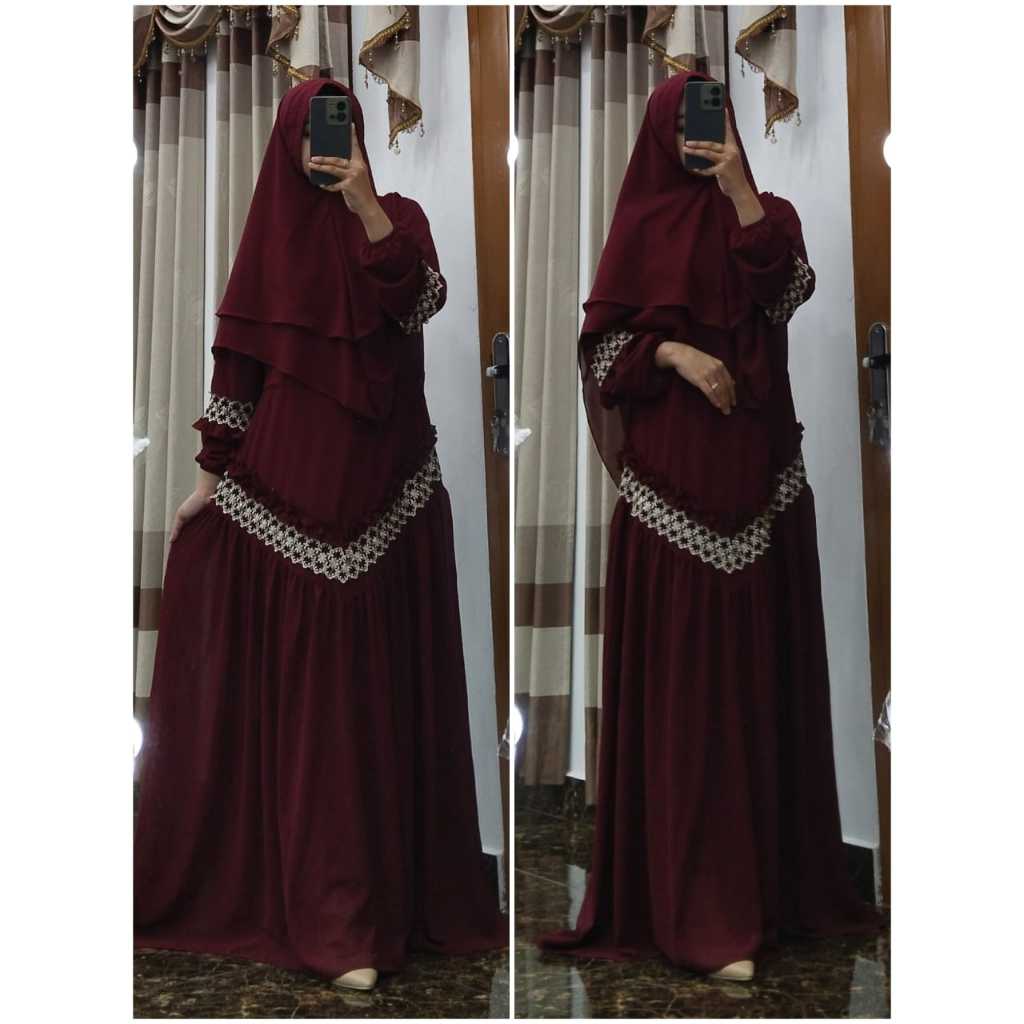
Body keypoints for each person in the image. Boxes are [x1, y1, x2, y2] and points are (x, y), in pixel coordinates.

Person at [133, 77, 507, 990]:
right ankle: (331, 915)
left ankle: (378, 906)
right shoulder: (269, 242)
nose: (323, 148)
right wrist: (206, 484)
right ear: (286, 146)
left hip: (389, 498)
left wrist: (364, 205)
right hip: (289, 503)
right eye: (308, 134)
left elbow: (418, 300)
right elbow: (238, 373)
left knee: (377, 704)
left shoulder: (400, 218)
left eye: (337, 130)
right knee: (317, 712)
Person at [537, 69, 886, 982]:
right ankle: (698, 907)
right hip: (671, 502)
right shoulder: (638, 230)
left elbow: (788, 288)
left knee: (759, 693)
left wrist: (736, 184)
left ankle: (765, 897)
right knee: (690, 707)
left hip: (762, 492)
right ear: (661, 135)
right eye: (689, 122)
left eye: (717, 117)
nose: (702, 132)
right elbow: (602, 355)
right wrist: (677, 353)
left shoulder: (766, 216)